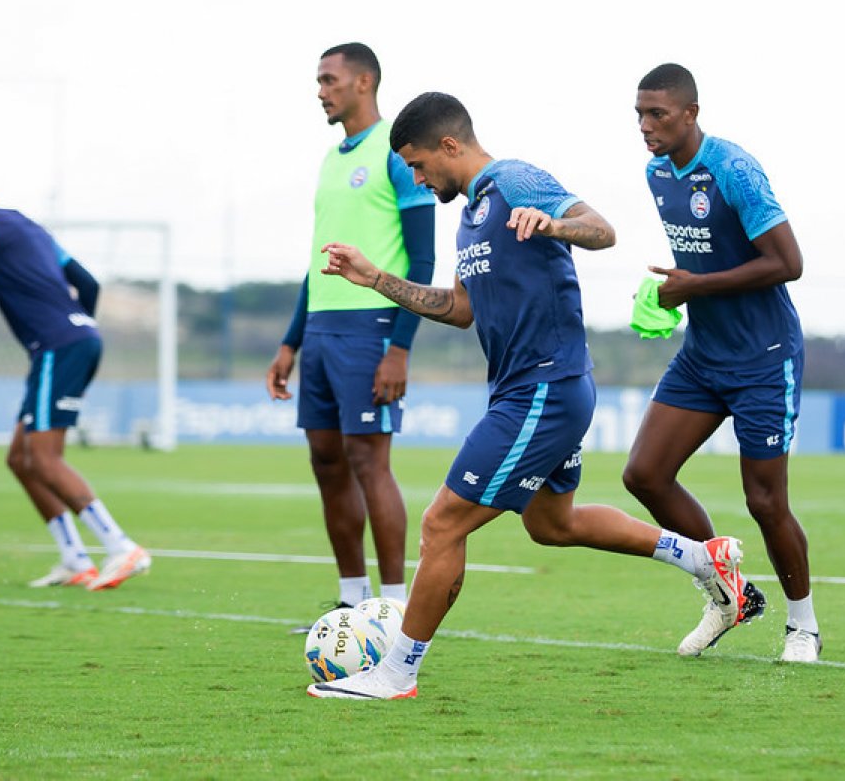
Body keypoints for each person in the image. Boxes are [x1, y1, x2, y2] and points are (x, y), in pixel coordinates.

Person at [305, 91, 748, 701]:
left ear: (449, 146)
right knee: (552, 523)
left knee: (441, 524)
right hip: (533, 391)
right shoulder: (470, 214)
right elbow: (458, 309)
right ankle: (704, 559)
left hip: (544, 388)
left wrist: (556, 224)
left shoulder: (514, 180)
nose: (414, 176)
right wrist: (375, 277)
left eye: (416, 164)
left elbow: (602, 230)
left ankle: (396, 672)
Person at [624, 63, 820, 662]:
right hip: (702, 356)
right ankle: (728, 591)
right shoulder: (658, 172)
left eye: (657, 113)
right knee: (645, 474)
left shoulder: (733, 169)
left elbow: (788, 262)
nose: (645, 125)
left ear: (691, 113)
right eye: (639, 114)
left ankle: (803, 626)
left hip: (763, 358)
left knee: (765, 501)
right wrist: (671, 292)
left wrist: (695, 288)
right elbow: (705, 258)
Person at [264, 43, 435, 621]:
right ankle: (350, 598)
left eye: (329, 79)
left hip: (372, 329)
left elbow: (424, 260)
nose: (320, 90)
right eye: (318, 80)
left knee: (369, 462)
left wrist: (400, 348)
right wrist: (291, 341)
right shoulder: (330, 159)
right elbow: (318, 263)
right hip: (321, 332)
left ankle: (392, 607)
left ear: (364, 82)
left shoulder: (396, 155)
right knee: (327, 462)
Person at [0, 163, 150, 590]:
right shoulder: (28, 225)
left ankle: (121, 547)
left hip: (57, 347)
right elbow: (87, 282)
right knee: (20, 459)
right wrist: (77, 321)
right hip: (71, 341)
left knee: (45, 459)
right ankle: (75, 559)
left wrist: (63, 329)